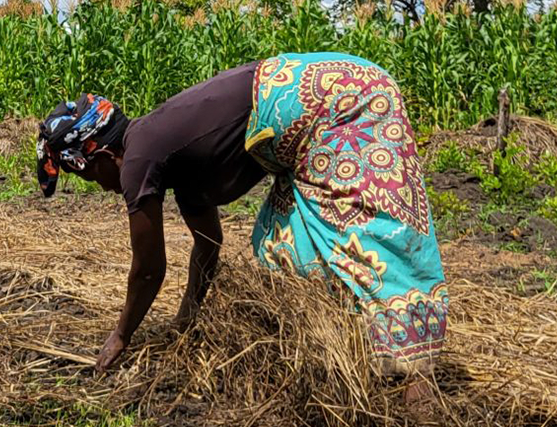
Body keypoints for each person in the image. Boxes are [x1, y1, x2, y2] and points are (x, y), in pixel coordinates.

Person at [35, 52, 447, 379]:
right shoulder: (175, 160)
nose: (99, 186)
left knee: (365, 233)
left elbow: (147, 271)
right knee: (282, 242)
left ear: (101, 156)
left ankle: (414, 375)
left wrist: (120, 337)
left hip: (339, 100)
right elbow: (208, 247)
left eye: (86, 175)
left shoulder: (140, 154)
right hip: (328, 99)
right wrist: (186, 322)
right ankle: (356, 354)